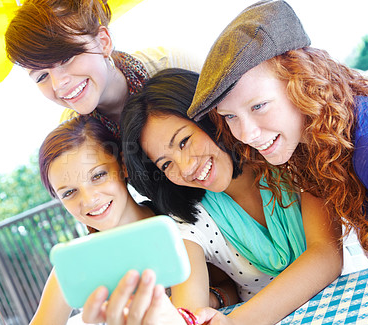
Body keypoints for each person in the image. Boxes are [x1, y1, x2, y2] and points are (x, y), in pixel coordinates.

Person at [81, 68, 342, 325]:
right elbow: (189, 308)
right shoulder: (192, 219)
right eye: (166, 164)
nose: (185, 168)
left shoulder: (285, 155)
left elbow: (326, 254)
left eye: (183, 142)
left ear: (209, 118)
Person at [187, 0, 368, 267]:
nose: (247, 134)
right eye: (230, 116)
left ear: (303, 82)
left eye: (259, 106)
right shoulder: (322, 145)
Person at [32, 115, 236, 325]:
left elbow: (231, 286)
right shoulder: (76, 262)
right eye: (69, 193)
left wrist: (211, 300)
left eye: (98, 176)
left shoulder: (176, 222)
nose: (89, 199)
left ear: (122, 165)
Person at [4, 0, 201, 133]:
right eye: (41, 76)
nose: (58, 84)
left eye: (65, 59)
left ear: (103, 42)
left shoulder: (171, 65)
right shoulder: (75, 130)